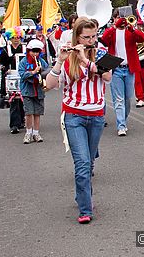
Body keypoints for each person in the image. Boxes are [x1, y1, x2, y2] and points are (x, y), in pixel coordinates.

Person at [46, 17, 112, 224]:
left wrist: (85, 59)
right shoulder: (67, 55)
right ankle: (85, 208)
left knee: (89, 161)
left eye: (94, 36)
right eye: (86, 37)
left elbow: (107, 76)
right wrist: (59, 60)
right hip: (73, 115)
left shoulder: (102, 52)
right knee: (82, 163)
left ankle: (82, 194)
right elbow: (48, 84)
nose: (91, 40)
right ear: (77, 36)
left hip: (96, 116)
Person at [101, 14, 144, 136]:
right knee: (119, 99)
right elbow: (104, 40)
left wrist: (132, 27)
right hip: (116, 69)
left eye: (121, 18)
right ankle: (121, 125)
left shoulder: (130, 31)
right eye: (117, 18)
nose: (120, 20)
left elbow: (142, 38)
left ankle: (123, 120)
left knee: (127, 98)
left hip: (129, 68)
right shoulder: (111, 31)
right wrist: (113, 27)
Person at [18, 39, 48, 144]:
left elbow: (47, 70)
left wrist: (43, 72)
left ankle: (36, 133)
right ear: (28, 51)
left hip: (39, 91)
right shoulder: (24, 61)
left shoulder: (41, 61)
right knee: (29, 113)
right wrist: (33, 72)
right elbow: (22, 74)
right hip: (27, 90)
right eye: (33, 51)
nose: (35, 54)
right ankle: (28, 133)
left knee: (37, 113)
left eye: (37, 51)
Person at [0, 27, 26, 133]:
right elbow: (0, 63)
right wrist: (5, 69)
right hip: (11, 78)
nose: (16, 39)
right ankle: (14, 124)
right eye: (14, 37)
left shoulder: (25, 48)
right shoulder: (6, 50)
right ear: (10, 38)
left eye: (18, 37)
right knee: (14, 100)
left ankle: (22, 120)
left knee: (23, 100)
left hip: (23, 76)